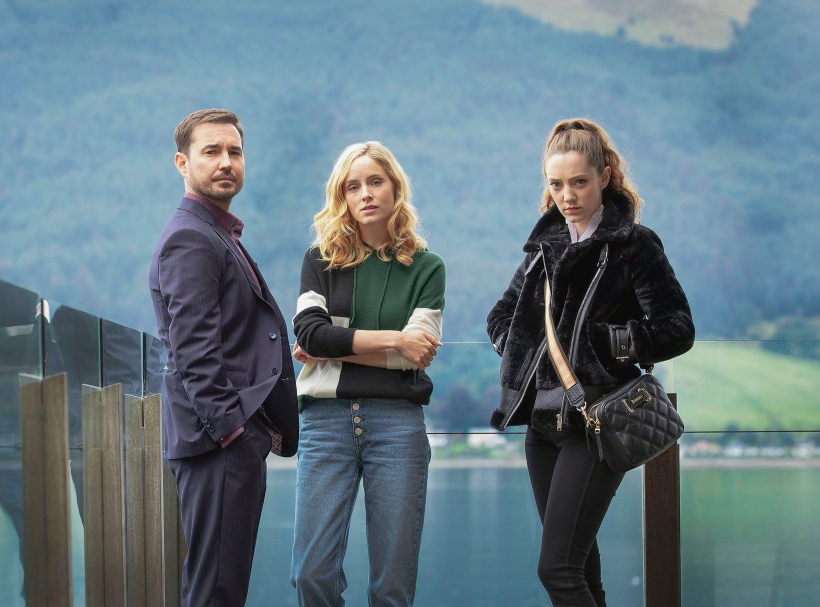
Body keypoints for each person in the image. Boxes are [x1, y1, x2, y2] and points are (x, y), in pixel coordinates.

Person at [486, 118, 695, 606]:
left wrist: (609, 343)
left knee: (556, 570)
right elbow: (501, 315)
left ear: (604, 176)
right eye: (556, 184)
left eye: (579, 181)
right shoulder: (545, 248)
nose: (567, 195)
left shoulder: (634, 246)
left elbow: (677, 327)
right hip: (542, 428)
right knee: (580, 570)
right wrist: (522, 348)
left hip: (597, 423)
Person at [149, 108, 300, 607]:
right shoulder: (191, 237)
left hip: (224, 441)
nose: (225, 162)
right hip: (219, 445)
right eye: (210, 151)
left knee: (220, 588)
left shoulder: (216, 231)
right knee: (216, 591)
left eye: (234, 151)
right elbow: (193, 351)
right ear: (181, 162)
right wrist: (235, 433)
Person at [290, 141, 446, 607]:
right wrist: (394, 339)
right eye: (352, 186)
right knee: (310, 576)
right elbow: (310, 335)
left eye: (375, 182)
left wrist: (334, 348)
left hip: (397, 425)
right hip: (324, 424)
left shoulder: (426, 267)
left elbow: (415, 357)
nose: (365, 194)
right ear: (341, 197)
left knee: (392, 588)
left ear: (395, 188)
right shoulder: (320, 261)